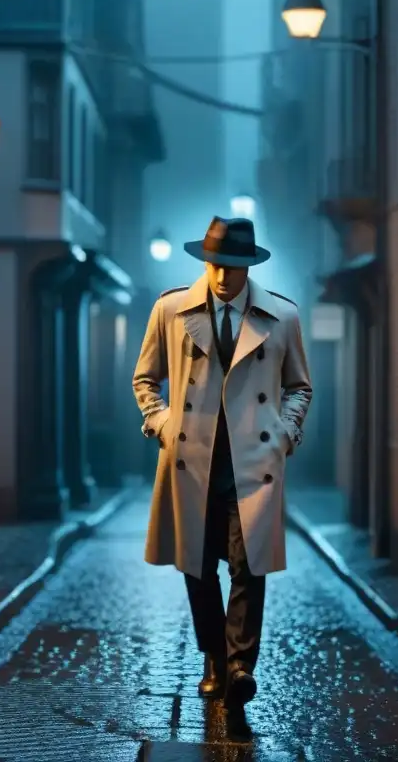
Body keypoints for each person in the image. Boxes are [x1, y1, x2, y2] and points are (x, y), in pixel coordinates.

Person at [132, 215, 312, 717]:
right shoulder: (171, 310)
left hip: (252, 464)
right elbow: (145, 378)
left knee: (248, 566)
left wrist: (286, 430)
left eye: (232, 266)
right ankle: (213, 658)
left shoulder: (281, 315)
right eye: (214, 264)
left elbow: (299, 385)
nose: (221, 276)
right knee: (198, 567)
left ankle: (240, 669)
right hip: (192, 460)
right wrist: (163, 423)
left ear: (248, 266)